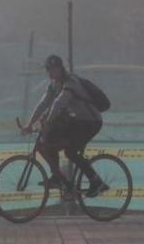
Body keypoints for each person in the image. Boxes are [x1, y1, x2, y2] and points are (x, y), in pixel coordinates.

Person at [23, 54, 108, 198]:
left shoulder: (70, 82)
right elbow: (43, 104)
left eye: (52, 69)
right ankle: (57, 177)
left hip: (90, 122)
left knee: (70, 152)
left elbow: (58, 104)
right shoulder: (54, 85)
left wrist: (47, 123)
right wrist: (30, 124)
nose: (49, 72)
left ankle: (96, 181)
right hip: (78, 121)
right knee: (49, 140)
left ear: (59, 68)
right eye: (48, 70)